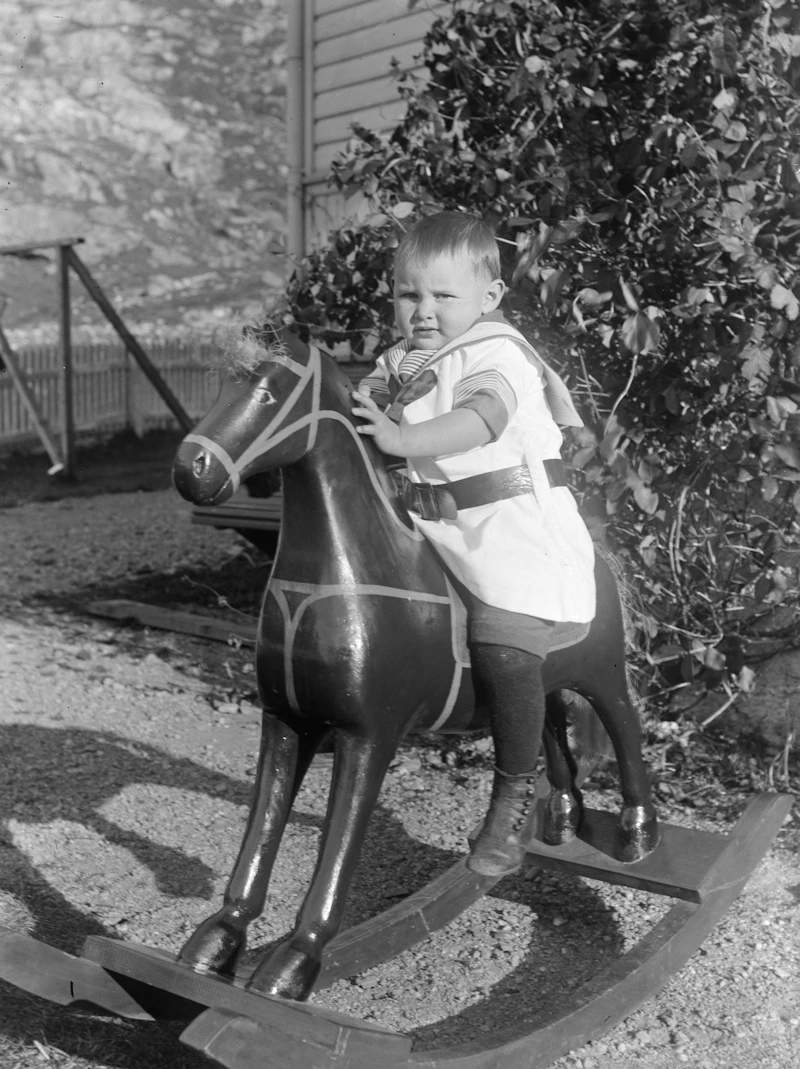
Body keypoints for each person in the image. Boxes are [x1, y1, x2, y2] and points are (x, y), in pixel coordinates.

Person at [351, 211, 596, 877]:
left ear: (487, 299)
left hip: (510, 528)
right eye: (409, 295)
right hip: (436, 528)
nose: (423, 312)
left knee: (502, 637)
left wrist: (400, 440)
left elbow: (476, 420)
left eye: (442, 296)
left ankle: (515, 792)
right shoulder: (400, 361)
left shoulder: (499, 354)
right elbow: (359, 408)